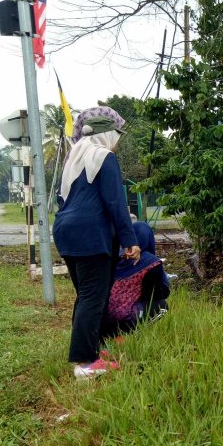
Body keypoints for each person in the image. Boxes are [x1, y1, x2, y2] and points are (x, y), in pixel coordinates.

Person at [53, 106, 140, 379]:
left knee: (87, 296)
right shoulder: (104, 157)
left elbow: (62, 198)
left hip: (66, 231)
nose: (117, 142)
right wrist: (130, 240)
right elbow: (115, 203)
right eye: (117, 136)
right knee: (93, 298)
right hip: (91, 234)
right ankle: (85, 363)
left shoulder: (74, 159)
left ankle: (92, 349)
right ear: (106, 134)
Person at [103, 221, 170, 336]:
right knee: (161, 306)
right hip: (124, 318)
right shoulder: (150, 262)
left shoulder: (115, 257)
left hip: (104, 317)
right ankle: (129, 335)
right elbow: (155, 294)